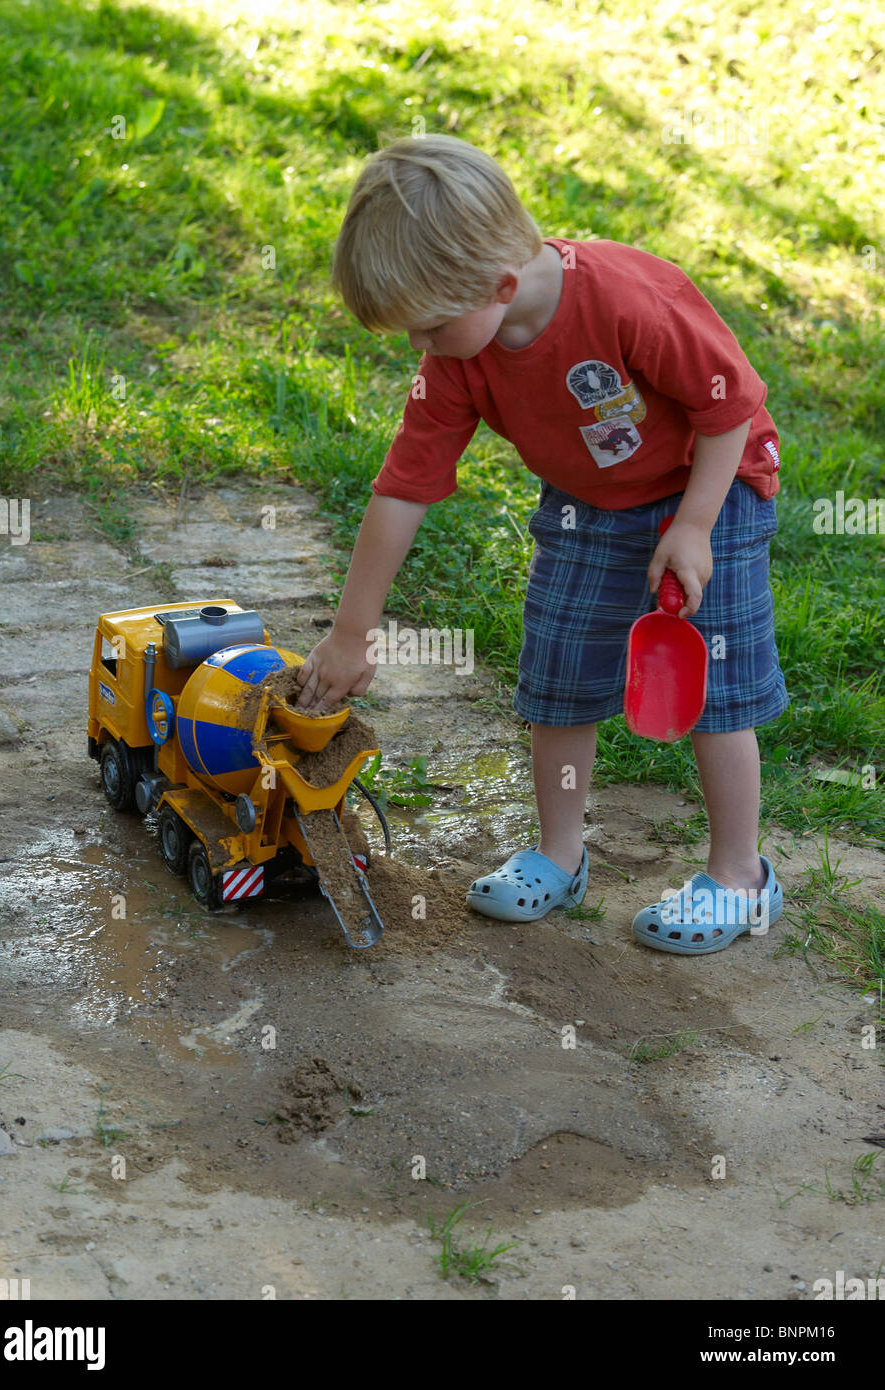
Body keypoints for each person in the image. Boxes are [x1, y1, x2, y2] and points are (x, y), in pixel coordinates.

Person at [295, 134, 789, 955]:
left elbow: (726, 405)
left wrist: (693, 526)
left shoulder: (626, 300)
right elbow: (403, 487)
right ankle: (559, 855)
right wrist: (352, 632)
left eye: (429, 327)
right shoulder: (463, 354)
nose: (421, 348)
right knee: (555, 678)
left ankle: (739, 877)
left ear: (496, 285)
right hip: (588, 505)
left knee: (715, 690)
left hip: (715, 485)